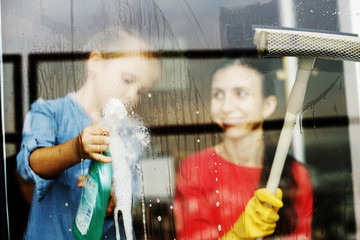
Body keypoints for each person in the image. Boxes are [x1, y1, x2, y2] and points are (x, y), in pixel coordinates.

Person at [16, 27, 161, 239]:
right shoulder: (50, 113)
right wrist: (76, 149)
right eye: (128, 80)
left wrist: (114, 199)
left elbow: (132, 193)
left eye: (140, 91)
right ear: (95, 63)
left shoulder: (128, 132)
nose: (132, 96)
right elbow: (31, 165)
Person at [174, 58, 313, 239]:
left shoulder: (296, 174)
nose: (226, 107)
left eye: (240, 93)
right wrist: (238, 235)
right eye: (218, 95)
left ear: (267, 106)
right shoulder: (195, 169)